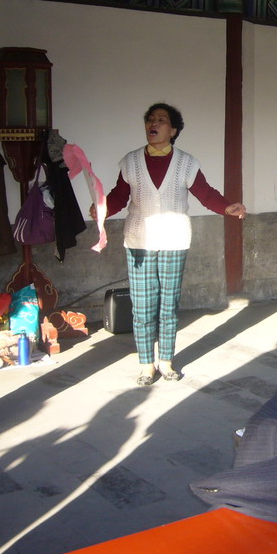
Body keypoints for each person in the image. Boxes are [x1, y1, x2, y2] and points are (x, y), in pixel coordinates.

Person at [103, 103, 245, 385]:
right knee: (142, 307)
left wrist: (227, 207)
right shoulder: (130, 162)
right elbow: (119, 196)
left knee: (168, 305)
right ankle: (146, 365)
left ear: (173, 130)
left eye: (161, 120)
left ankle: (166, 361)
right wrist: (101, 208)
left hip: (174, 240)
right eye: (150, 119)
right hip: (139, 241)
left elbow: (206, 193)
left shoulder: (186, 162)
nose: (153, 124)